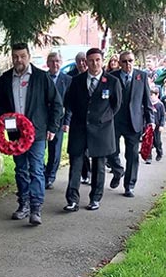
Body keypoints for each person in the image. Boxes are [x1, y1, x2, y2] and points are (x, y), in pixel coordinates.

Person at [0, 42, 62, 225]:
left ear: (28, 56)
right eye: (15, 57)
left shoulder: (41, 77)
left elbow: (56, 103)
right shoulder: (5, 79)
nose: (19, 60)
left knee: (36, 168)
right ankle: (23, 204)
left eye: (22, 56)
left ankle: (36, 207)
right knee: (21, 169)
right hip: (15, 131)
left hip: (37, 132)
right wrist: (7, 117)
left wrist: (52, 128)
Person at [63, 48, 122, 211]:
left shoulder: (112, 82)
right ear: (85, 62)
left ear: (102, 61)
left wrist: (102, 117)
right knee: (76, 163)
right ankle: (72, 199)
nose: (94, 63)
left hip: (101, 129)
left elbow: (116, 105)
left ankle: (95, 198)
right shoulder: (77, 81)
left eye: (97, 60)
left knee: (99, 165)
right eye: (91, 60)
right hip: (79, 128)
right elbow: (68, 102)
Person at [107, 51, 154, 198]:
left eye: (130, 61)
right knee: (110, 151)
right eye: (124, 61)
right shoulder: (111, 76)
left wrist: (150, 120)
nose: (128, 64)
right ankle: (118, 171)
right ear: (120, 63)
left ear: (134, 61)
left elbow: (146, 100)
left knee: (132, 155)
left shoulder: (142, 76)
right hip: (115, 121)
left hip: (134, 122)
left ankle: (129, 185)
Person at [44, 52, 72, 190]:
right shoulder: (42, 78)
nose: (55, 64)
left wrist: (67, 122)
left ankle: (50, 177)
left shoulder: (67, 80)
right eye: (52, 61)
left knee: (55, 150)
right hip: (43, 120)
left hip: (59, 121)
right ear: (47, 63)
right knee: (40, 149)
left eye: (58, 61)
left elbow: (70, 104)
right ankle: (42, 173)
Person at [67, 51, 92, 184]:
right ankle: (85, 173)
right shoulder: (71, 78)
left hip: (95, 122)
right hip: (78, 121)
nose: (82, 64)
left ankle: (89, 173)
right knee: (79, 152)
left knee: (90, 151)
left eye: (84, 60)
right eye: (79, 61)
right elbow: (69, 101)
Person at [145, 87, 166, 163]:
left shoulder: (160, 105)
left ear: (157, 95)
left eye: (152, 95)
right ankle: (148, 157)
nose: (150, 96)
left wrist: (161, 125)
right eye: (149, 95)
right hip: (149, 126)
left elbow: (163, 116)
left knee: (157, 141)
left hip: (157, 126)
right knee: (148, 141)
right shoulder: (148, 104)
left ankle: (159, 152)